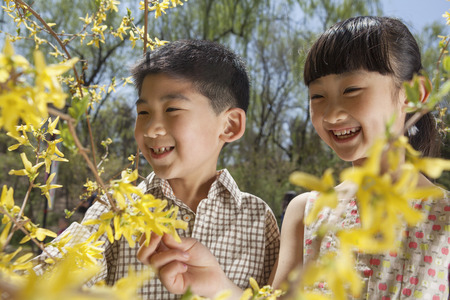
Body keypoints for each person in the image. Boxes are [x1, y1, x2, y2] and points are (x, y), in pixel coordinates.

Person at [139, 17, 449, 300]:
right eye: (317, 96)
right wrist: (217, 284)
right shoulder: (307, 213)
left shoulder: (444, 218)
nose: (332, 113)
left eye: (352, 89)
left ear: (415, 93)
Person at [35, 40, 280, 300]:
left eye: (172, 109)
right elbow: (45, 283)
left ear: (230, 125)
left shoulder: (258, 219)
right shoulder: (118, 206)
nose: (151, 129)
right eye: (143, 112)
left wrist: (222, 289)